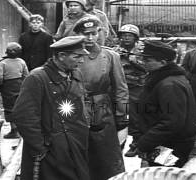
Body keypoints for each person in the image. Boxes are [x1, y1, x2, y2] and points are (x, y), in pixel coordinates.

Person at [12, 36, 90, 180]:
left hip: (75, 145)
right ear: (61, 56)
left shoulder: (76, 74)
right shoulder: (37, 78)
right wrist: (39, 147)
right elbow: (24, 116)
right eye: (77, 56)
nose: (82, 61)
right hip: (50, 150)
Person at [73, 17, 128, 180]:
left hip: (102, 113)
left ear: (99, 33)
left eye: (94, 33)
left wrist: (123, 118)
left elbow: (121, 90)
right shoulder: (70, 54)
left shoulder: (110, 56)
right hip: (74, 111)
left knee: (106, 159)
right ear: (77, 34)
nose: (90, 38)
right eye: (85, 34)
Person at [136, 40, 196, 167]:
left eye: (148, 60)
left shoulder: (169, 85)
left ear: (163, 62)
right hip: (163, 142)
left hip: (171, 145)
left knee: (166, 175)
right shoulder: (161, 79)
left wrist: (144, 142)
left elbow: (171, 122)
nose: (143, 63)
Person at [113, 24, 147, 157]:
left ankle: (136, 145)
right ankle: (118, 145)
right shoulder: (114, 51)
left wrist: (134, 61)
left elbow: (148, 68)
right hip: (119, 89)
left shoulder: (143, 52)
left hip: (137, 90)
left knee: (136, 118)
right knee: (120, 116)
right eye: (123, 35)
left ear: (135, 38)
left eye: (129, 36)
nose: (126, 38)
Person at [0, 42, 28, 139]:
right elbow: (26, 75)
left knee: (9, 108)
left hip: (7, 87)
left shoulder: (2, 63)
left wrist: (1, 85)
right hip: (19, 86)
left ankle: (14, 130)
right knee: (20, 106)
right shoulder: (22, 62)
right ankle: (22, 129)